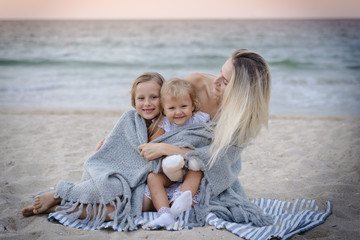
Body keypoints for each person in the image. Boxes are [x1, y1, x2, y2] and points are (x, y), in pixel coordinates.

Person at [142, 78, 210, 227]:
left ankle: (180, 201)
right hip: (168, 174)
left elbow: (206, 145)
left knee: (197, 171)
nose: (178, 112)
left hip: (188, 172)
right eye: (172, 108)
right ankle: (165, 213)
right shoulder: (163, 125)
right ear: (164, 110)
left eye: (184, 106)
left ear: (193, 105)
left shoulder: (200, 121)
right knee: (153, 177)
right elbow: (153, 147)